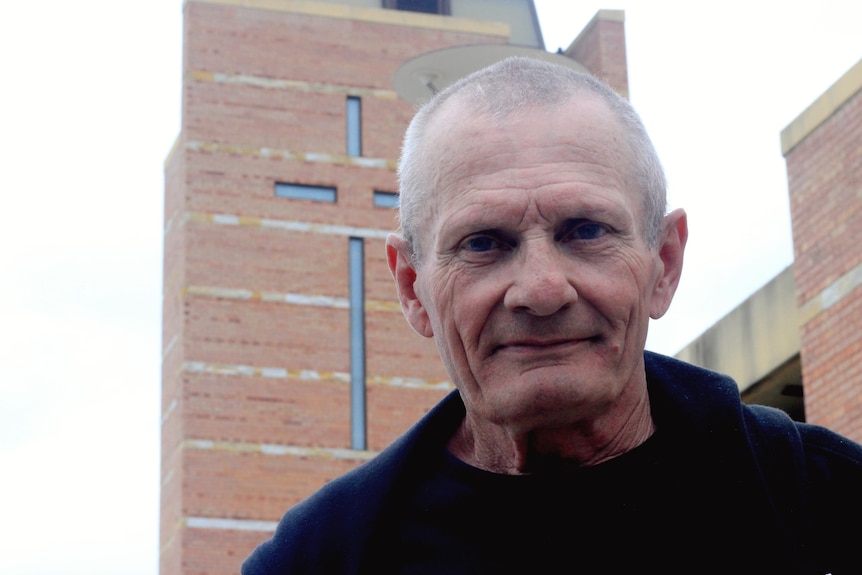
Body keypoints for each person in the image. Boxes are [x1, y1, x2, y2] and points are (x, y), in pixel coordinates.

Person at [242, 56, 862, 574]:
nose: (541, 289)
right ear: (412, 286)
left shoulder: (829, 505)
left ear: (664, 264)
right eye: (484, 242)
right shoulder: (321, 560)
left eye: (586, 231)